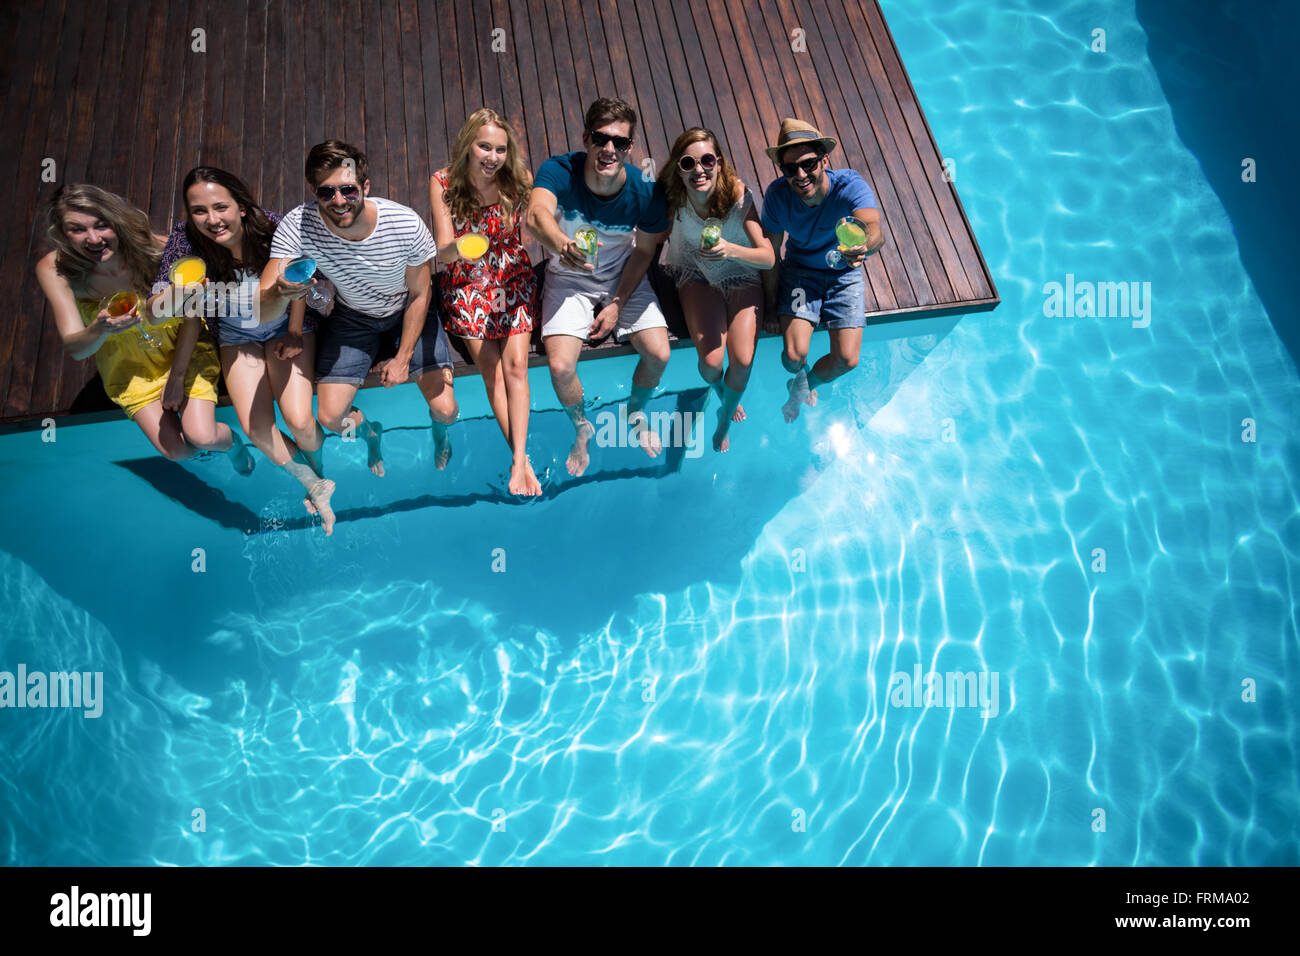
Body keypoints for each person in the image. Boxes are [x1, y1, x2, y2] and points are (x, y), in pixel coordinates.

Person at [147, 166, 335, 534]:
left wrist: (295, 331)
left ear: (242, 206)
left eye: (221, 207)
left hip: (285, 326)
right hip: (236, 336)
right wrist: (181, 295)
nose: (212, 220)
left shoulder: (273, 227)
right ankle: (314, 484)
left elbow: (299, 280)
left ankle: (319, 469)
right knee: (257, 428)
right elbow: (155, 313)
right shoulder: (186, 241)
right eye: (199, 210)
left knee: (300, 422)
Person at [260, 140, 458, 478]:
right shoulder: (299, 225)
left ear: (365, 186)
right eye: (327, 193)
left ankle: (440, 433)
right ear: (314, 191)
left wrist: (403, 359)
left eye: (348, 190)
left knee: (447, 410)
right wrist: (282, 300)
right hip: (353, 317)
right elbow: (264, 308)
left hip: (406, 311)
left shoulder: (404, 224)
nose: (339, 202)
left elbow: (420, 294)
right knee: (331, 419)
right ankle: (369, 434)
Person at [35, 184, 242, 467]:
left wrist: (177, 379)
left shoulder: (156, 249)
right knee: (179, 451)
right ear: (61, 232)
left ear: (116, 220)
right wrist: (100, 328)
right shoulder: (55, 269)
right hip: (130, 366)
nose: (94, 239)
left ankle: (234, 446)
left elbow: (193, 313)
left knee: (202, 436)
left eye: (101, 225)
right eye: (77, 229)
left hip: (182, 348)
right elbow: (76, 348)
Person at [525, 97, 671, 476]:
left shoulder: (646, 192)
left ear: (630, 147)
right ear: (587, 137)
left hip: (620, 274)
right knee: (559, 366)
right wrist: (561, 245)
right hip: (567, 277)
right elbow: (536, 213)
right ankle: (582, 427)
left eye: (619, 142)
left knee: (659, 353)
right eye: (601, 139)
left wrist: (618, 303)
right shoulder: (560, 170)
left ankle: (636, 411)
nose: (609, 150)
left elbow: (644, 253)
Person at [430, 108, 541, 496]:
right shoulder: (444, 182)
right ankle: (522, 460)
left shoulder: (518, 180)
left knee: (517, 366)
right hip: (466, 277)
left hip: (510, 275)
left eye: (500, 149)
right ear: (467, 146)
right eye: (484, 147)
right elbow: (443, 252)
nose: (492, 157)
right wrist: (457, 248)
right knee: (491, 369)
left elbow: (537, 223)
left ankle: (517, 458)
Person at [759, 118, 885, 422]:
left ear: (824, 160)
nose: (800, 175)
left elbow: (874, 229)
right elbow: (772, 255)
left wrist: (863, 246)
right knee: (792, 357)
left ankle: (803, 386)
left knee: (846, 359)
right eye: (790, 169)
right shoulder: (777, 197)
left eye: (808, 164)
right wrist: (770, 306)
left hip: (844, 275)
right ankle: (799, 374)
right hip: (801, 272)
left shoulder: (850, 185)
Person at [657, 127, 774, 451]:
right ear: (678, 169)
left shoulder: (737, 196)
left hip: (740, 272)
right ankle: (725, 394)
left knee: (743, 360)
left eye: (707, 160)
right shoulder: (674, 200)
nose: (699, 170)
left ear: (719, 163)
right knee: (710, 365)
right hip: (694, 272)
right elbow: (652, 241)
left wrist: (731, 250)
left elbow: (767, 257)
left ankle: (723, 418)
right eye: (688, 163)